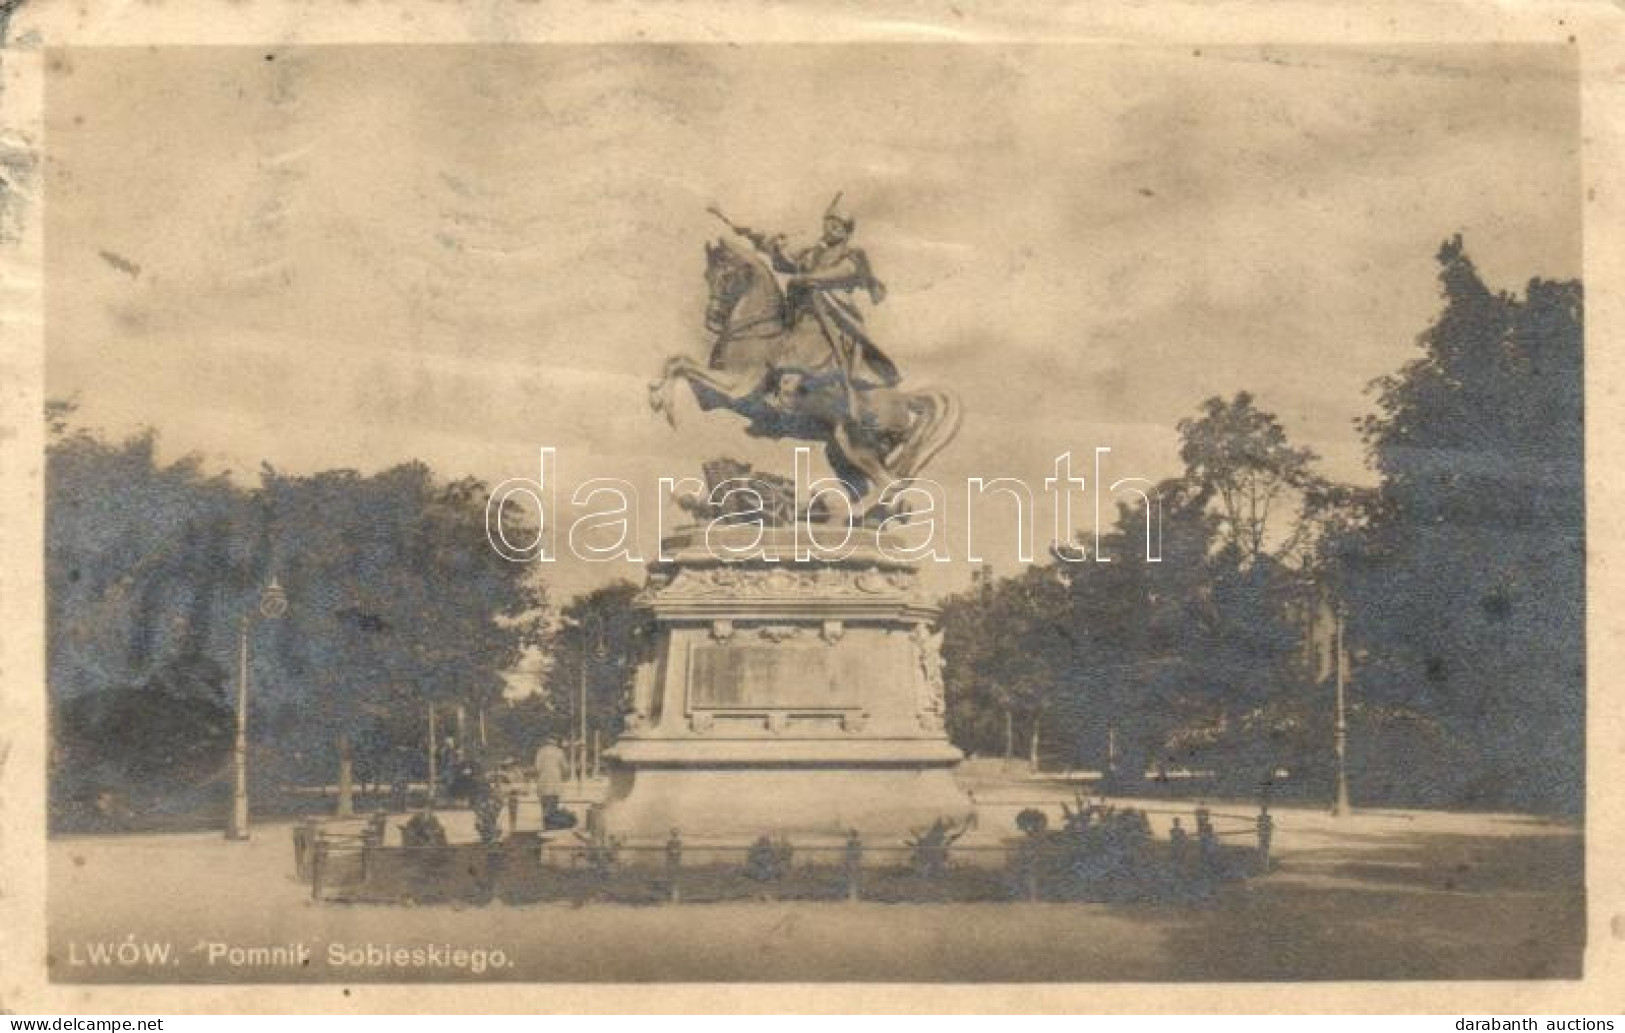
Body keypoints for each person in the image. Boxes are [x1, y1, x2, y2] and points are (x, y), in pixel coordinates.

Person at [726, 194, 900, 391]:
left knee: (811, 342)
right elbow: (785, 260)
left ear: (846, 233)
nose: (831, 229)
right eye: (829, 223)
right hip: (802, 313)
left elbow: (841, 272)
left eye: (838, 226)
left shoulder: (851, 256)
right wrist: (753, 235)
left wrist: (807, 278)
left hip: (830, 315)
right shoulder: (812, 253)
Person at [533, 737, 569, 816]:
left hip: (543, 781)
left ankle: (545, 820)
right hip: (555, 781)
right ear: (555, 742)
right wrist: (564, 776)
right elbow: (565, 767)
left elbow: (537, 767)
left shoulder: (541, 751)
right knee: (554, 802)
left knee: (544, 802)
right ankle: (551, 822)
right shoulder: (559, 752)